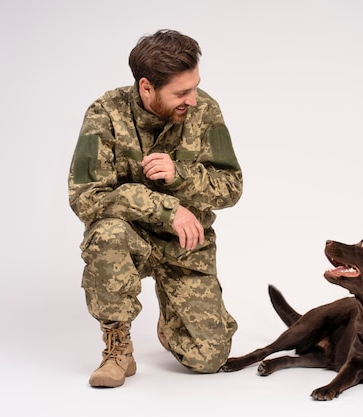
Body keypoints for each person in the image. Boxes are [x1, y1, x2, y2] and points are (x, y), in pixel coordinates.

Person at [68, 29, 242, 388]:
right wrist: (164, 208)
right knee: (106, 233)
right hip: (129, 240)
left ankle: (172, 322)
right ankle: (118, 349)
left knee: (208, 359)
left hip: (187, 245)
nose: (192, 100)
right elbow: (85, 197)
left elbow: (231, 189)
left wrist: (180, 176)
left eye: (194, 87)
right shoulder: (106, 114)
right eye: (181, 92)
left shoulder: (205, 110)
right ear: (146, 87)